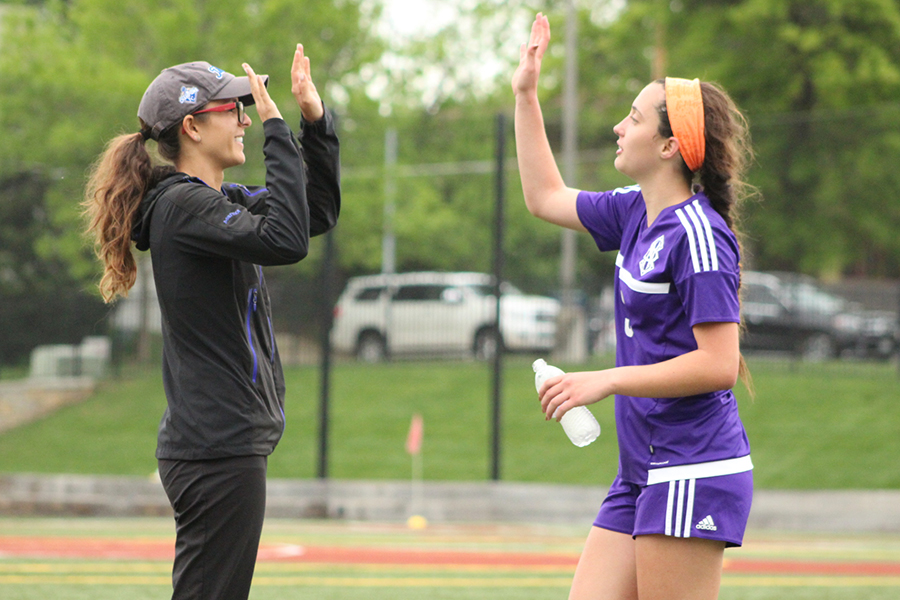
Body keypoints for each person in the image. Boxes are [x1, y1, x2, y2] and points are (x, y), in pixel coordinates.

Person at [82, 45, 340, 600]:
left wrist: (314, 123)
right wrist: (275, 129)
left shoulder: (216, 202)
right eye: (234, 110)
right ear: (194, 127)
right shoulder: (183, 208)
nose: (246, 118)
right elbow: (286, 241)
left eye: (248, 110)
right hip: (216, 448)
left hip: (225, 446)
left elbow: (312, 213)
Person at [513, 14, 755, 600]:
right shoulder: (630, 212)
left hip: (691, 467)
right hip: (639, 472)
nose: (619, 127)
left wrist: (605, 380)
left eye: (635, 118)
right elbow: (544, 197)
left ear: (671, 145)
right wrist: (525, 94)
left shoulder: (699, 235)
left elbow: (720, 364)